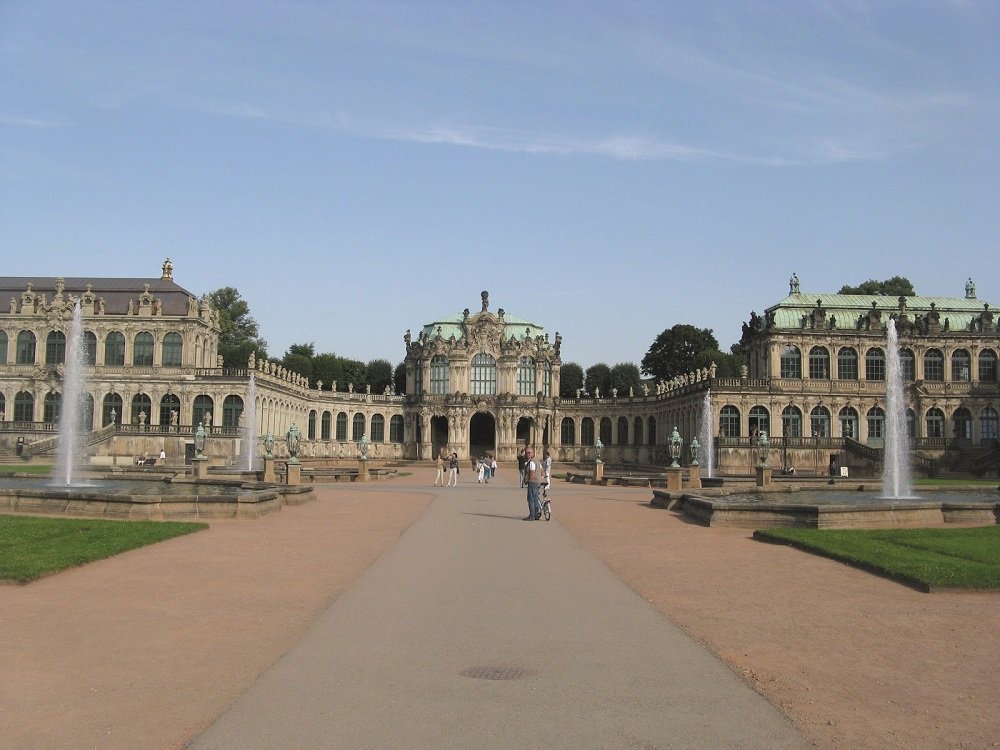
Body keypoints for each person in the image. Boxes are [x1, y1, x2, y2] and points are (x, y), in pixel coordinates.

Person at [523, 448, 543, 520]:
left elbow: (532, 472)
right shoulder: (537, 460)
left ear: (533, 453)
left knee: (531, 499)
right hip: (537, 482)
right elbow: (541, 470)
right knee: (535, 499)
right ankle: (536, 515)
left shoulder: (532, 462)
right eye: (527, 452)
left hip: (532, 482)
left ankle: (532, 516)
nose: (528, 454)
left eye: (529, 452)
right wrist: (541, 477)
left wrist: (528, 480)